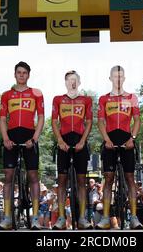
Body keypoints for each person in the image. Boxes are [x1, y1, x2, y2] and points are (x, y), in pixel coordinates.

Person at [0, 61, 45, 230]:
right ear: (15, 74)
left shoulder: (36, 93)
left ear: (28, 75)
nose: (22, 75)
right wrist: (5, 139)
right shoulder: (6, 95)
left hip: (29, 136)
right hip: (11, 135)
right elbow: (2, 119)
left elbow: (40, 118)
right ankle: (8, 217)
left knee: (33, 176)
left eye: (25, 72)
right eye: (19, 72)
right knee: (8, 176)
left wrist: (35, 138)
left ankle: (35, 218)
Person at [96, 65, 143, 230]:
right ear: (110, 78)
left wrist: (133, 138)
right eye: (115, 76)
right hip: (110, 140)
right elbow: (100, 121)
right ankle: (106, 218)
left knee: (130, 179)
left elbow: (137, 120)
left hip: (126, 139)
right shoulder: (103, 98)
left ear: (124, 78)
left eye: (120, 76)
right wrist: (106, 139)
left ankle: (135, 218)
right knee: (108, 179)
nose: (117, 79)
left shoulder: (132, 97)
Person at [51, 70, 93, 230]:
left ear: (79, 82)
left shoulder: (86, 100)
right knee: (61, 181)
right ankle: (61, 218)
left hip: (80, 141)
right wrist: (60, 141)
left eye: (75, 80)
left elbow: (89, 122)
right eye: (69, 80)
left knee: (82, 181)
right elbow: (54, 122)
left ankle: (82, 218)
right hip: (63, 141)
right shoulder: (58, 99)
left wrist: (83, 141)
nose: (72, 83)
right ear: (66, 82)